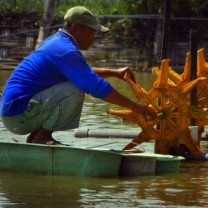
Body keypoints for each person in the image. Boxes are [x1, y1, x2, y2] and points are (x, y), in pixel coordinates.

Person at [0, 6, 157, 145]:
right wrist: (134, 106)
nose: (93, 38)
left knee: (77, 83)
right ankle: (42, 136)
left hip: (15, 112)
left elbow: (84, 73)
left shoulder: (57, 41)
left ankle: (37, 137)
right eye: (91, 32)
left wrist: (114, 73)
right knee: (76, 88)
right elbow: (95, 86)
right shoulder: (64, 49)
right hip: (17, 114)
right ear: (75, 28)